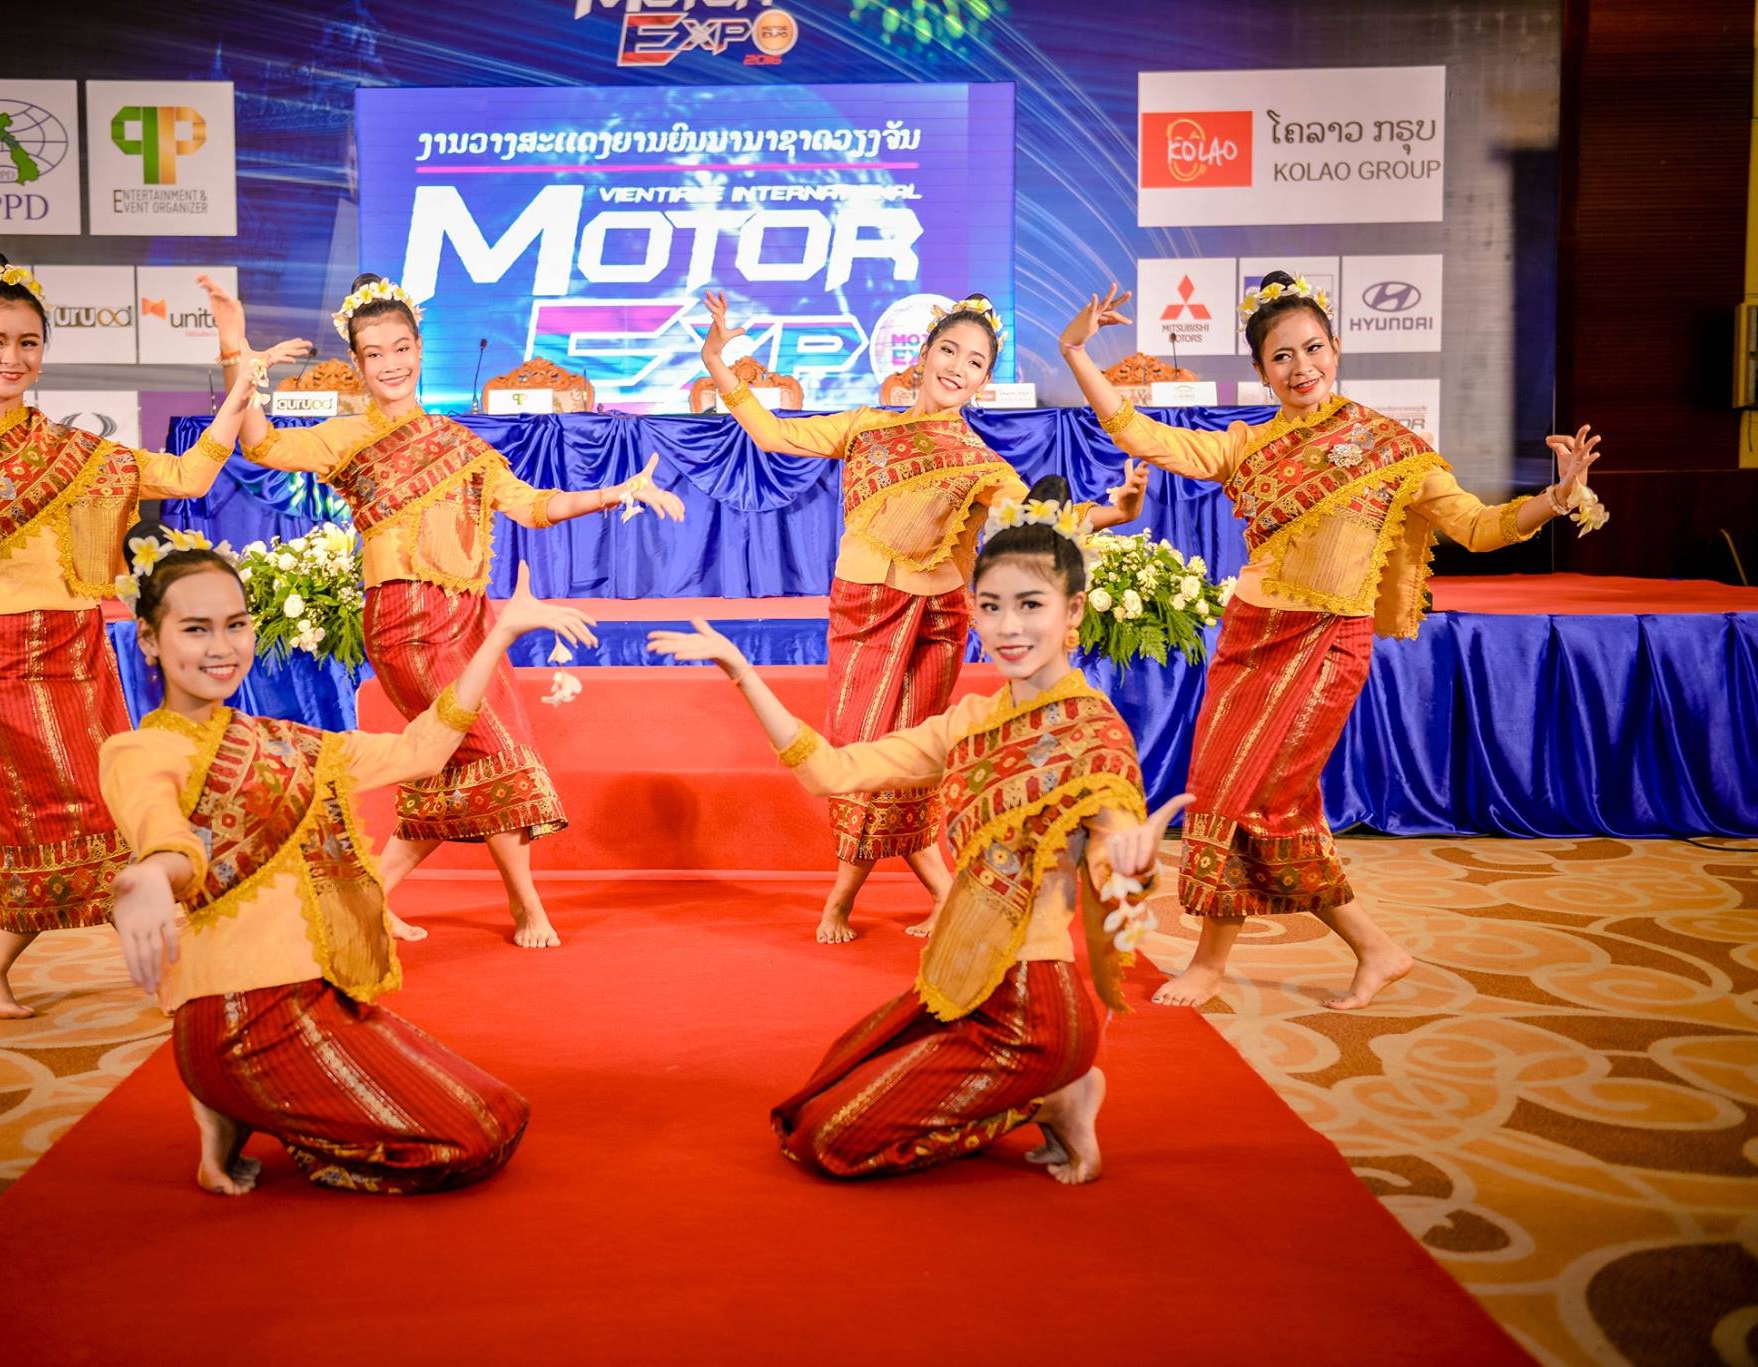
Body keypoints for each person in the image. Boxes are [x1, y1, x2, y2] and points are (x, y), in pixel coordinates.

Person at [1059, 271, 1605, 1010]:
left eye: (1312, 348)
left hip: (1326, 645)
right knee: (1226, 794)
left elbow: (1479, 528)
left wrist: (1558, 495)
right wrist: (1076, 353)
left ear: (1337, 349)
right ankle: (1368, 949)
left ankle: (1235, 961)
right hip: (1248, 638)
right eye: (1281, 356)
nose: (1301, 366)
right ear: (1261, 371)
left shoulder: (1390, 448)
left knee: (1258, 797)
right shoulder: (1248, 445)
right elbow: (1142, 435)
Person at [649, 475, 1186, 1183]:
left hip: (1034, 1010)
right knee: (805, 1113)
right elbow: (833, 772)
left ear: (1073, 610)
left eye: (1030, 605)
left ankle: (1055, 1094)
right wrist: (741, 671)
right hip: (959, 987)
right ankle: (1049, 1092)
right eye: (991, 606)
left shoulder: (1094, 732)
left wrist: (1135, 863)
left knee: (833, 1142)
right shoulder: (971, 721)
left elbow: (1119, 881)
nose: (1009, 627)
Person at [0, 251, 261, 1019]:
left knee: (115, 799)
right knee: (63, 814)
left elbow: (189, 475)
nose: (12, 356)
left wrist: (240, 388)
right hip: (3, 650)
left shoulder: (76, 450)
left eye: (27, 341)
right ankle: (167, 964)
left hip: (80, 641)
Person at [200, 273, 685, 948]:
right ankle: (524, 904)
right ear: (358, 362)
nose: (391, 364)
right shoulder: (348, 436)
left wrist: (615, 492)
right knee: (492, 750)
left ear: (420, 349)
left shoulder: (460, 444)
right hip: (405, 625)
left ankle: (368, 894)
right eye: (374, 354)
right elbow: (261, 444)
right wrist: (236, 347)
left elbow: (532, 506)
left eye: (401, 348)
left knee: (450, 761)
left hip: (469, 623)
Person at [101, 539, 596, 1195]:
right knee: (465, 1142)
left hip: (314, 998)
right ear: (149, 640)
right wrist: (150, 876)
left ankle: (238, 1114)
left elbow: (423, 751)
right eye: (196, 629)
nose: (221, 647)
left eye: (235, 624)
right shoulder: (139, 751)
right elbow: (166, 839)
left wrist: (497, 635)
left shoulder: (282, 741)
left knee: (501, 1112)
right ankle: (240, 1102)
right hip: (238, 1019)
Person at [700, 289, 1149, 943]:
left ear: (984, 381)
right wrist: (716, 361)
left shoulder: (981, 463)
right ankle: (931, 891)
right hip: (864, 610)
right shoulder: (864, 427)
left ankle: (859, 897)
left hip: (938, 617)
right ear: (922, 356)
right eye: (949, 351)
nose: (957, 368)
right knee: (856, 752)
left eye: (975, 362)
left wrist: (1114, 513)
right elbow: (773, 434)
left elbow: (1037, 519)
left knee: (910, 763)